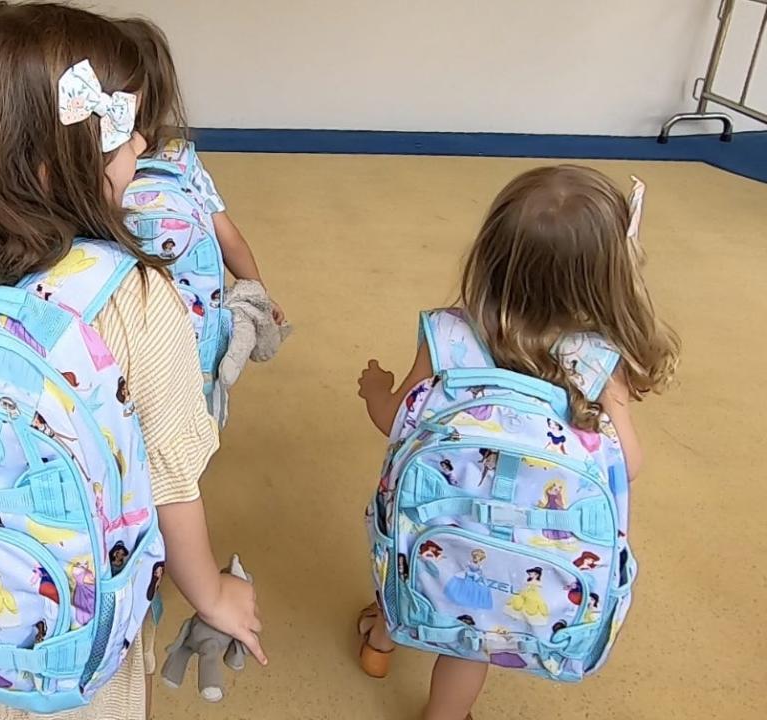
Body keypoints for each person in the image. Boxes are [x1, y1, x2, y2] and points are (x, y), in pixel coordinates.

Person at [0, 4, 264, 719]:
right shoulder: (134, 298)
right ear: (51, 165)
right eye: (123, 138)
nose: (139, 155)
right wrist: (214, 595)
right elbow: (170, 482)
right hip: (82, 616)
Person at [355, 165, 679, 719]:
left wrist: (373, 390)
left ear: (491, 255)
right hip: (535, 546)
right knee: (470, 634)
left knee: (418, 550)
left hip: (446, 525)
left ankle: (381, 640)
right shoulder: (599, 361)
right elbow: (628, 461)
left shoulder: (449, 333)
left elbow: (398, 420)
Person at [116, 16, 286, 325]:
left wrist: (258, 295)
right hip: (165, 323)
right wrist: (258, 292)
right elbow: (228, 237)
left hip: (152, 326)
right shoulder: (181, 161)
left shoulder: (177, 160)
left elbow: (227, 236)